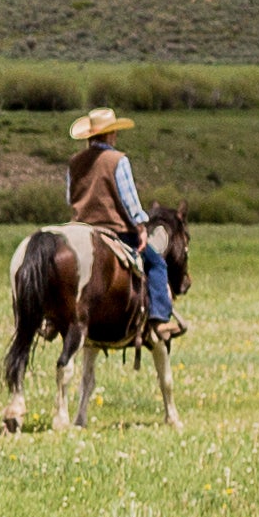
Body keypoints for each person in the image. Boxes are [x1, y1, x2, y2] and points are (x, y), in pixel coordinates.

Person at [66, 105, 180, 342]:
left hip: (79, 229)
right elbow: (130, 201)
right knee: (157, 263)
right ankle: (160, 319)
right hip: (114, 230)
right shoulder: (118, 160)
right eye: (114, 132)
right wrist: (140, 227)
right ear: (109, 134)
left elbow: (70, 198)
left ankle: (49, 320)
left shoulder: (74, 161)